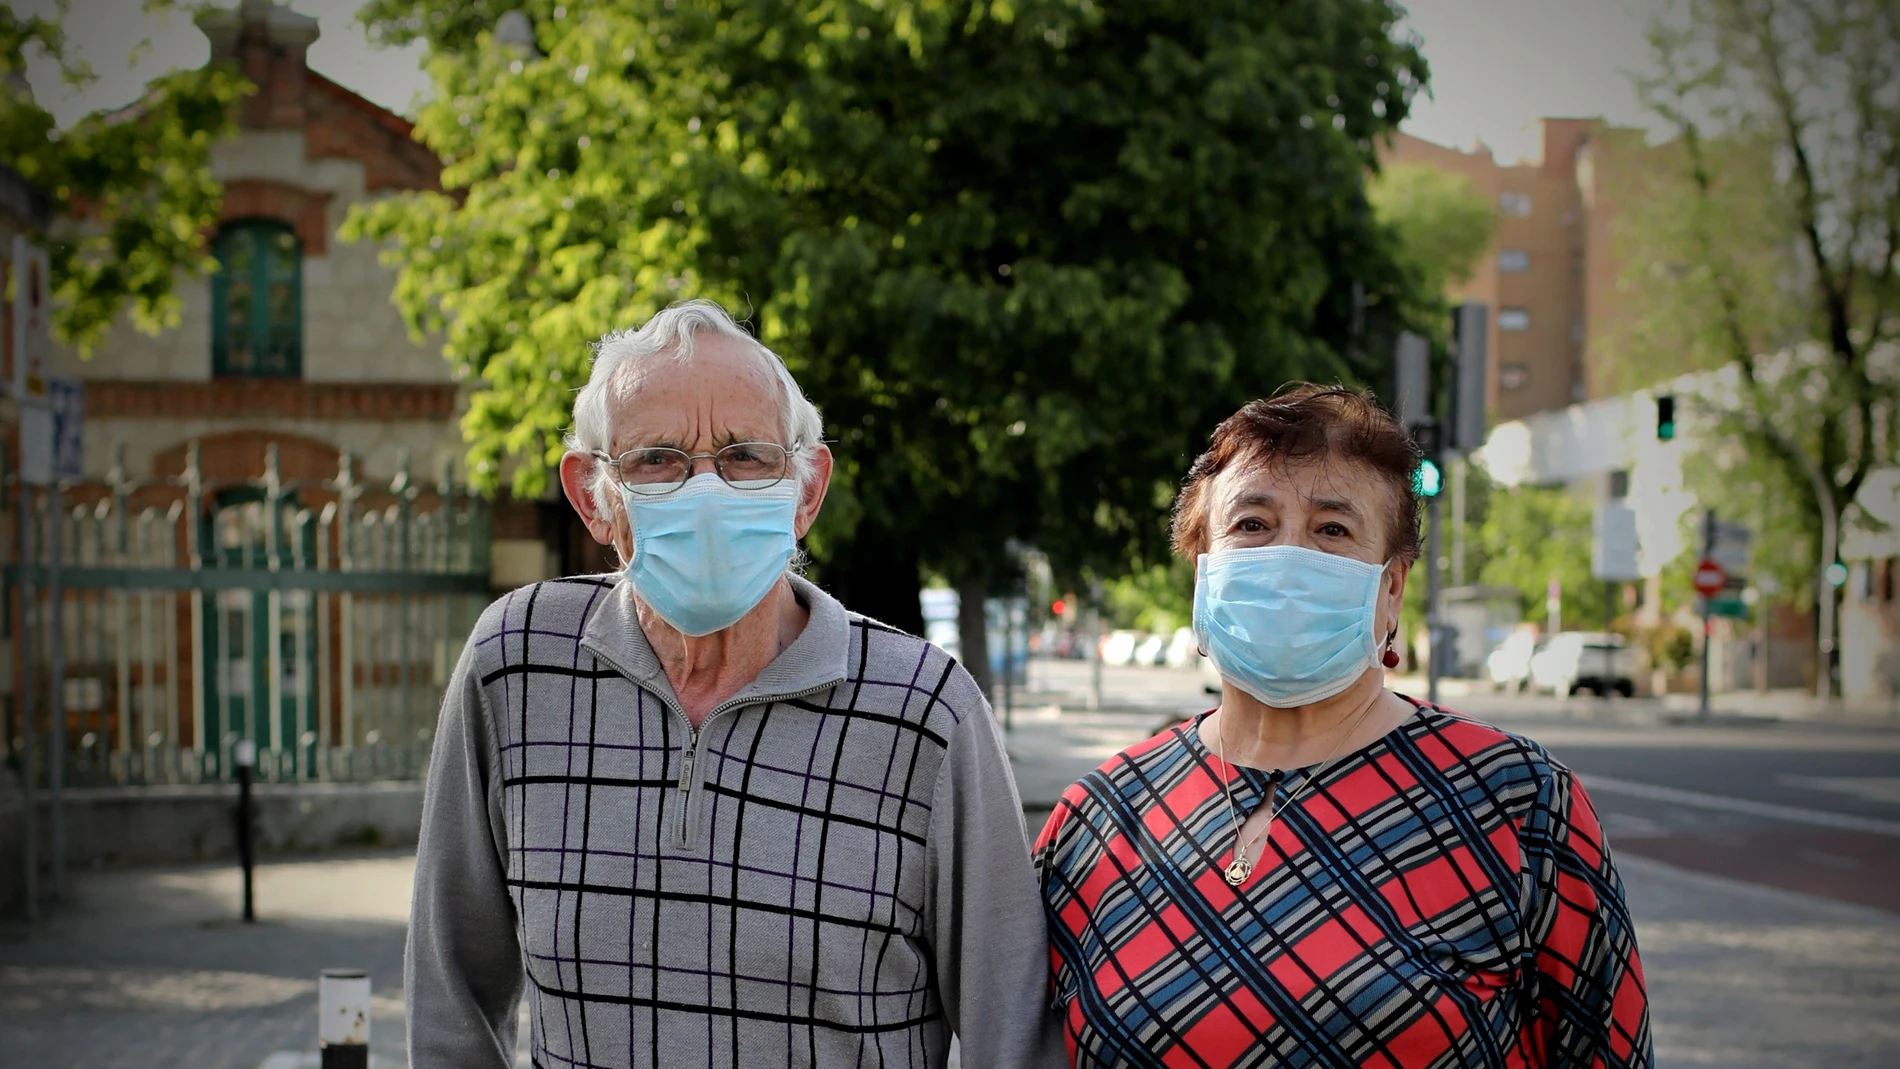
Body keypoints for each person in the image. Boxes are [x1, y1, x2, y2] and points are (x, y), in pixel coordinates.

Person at [408, 300, 1065, 1069]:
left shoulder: (927, 712)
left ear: (807, 491)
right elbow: (450, 1000)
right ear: (593, 495)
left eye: (745, 456)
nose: (706, 492)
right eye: (657, 459)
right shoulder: (516, 664)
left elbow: (1012, 1036)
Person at [1035, 384, 1652, 1068]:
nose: (1288, 559)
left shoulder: (1517, 804)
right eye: (1252, 524)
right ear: (1202, 569)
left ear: (1392, 588)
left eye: (1332, 529)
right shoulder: (1097, 821)